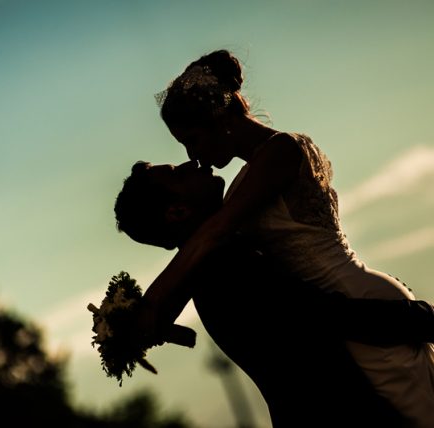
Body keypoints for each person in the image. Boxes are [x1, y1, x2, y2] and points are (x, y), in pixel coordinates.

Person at [139, 49, 434, 426]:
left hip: (359, 303)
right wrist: (156, 315)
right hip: (349, 307)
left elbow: (211, 235)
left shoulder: (280, 152)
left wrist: (153, 302)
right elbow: (204, 253)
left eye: (192, 140)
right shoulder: (244, 186)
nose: (193, 156)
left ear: (219, 118)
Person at [113, 160, 434, 427]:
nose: (192, 162)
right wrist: (424, 318)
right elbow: (328, 316)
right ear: (178, 212)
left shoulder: (217, 261)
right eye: (178, 174)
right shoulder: (225, 270)